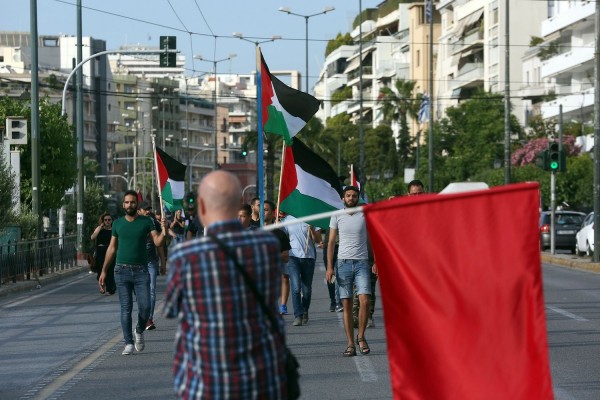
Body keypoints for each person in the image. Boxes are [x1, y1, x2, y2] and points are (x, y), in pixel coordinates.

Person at [163, 171, 287, 399]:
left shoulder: (185, 254)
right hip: (260, 379)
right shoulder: (267, 246)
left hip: (206, 382)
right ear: (240, 205)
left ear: (201, 206)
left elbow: (172, 308)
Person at [99, 190, 168, 356]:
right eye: (127, 202)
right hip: (121, 271)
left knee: (145, 307)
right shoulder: (117, 224)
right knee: (126, 308)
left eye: (132, 202)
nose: (130, 205)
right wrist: (103, 271)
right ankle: (128, 342)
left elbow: (158, 241)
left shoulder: (146, 222)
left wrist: (164, 230)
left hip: (141, 271)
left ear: (137, 204)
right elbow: (112, 248)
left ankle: (139, 330)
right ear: (123, 205)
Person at [326, 186, 376, 357]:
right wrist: (330, 266)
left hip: (362, 263)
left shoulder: (364, 214)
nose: (351, 198)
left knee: (365, 300)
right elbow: (331, 242)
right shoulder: (337, 215)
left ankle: (361, 337)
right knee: (346, 304)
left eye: (354, 196)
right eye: (348, 196)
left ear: (358, 198)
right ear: (343, 198)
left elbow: (372, 240)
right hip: (343, 264)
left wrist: (375, 261)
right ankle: (350, 343)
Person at [280, 211, 322, 326]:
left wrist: (312, 229)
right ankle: (298, 315)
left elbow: (318, 240)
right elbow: (281, 236)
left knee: (306, 289)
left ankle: (305, 311)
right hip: (293, 257)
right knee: (296, 287)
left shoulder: (312, 217)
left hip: (309, 257)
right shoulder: (287, 219)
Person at [138, 201, 166, 331]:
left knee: (152, 290)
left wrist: (163, 262)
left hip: (151, 262)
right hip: (138, 263)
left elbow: (158, 244)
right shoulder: (134, 223)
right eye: (145, 209)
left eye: (149, 209)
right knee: (141, 292)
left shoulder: (154, 223)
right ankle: (143, 316)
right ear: (139, 211)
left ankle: (149, 318)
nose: (147, 211)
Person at [90, 212, 116, 295]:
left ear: (112, 221)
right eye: (106, 220)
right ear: (103, 221)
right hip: (100, 252)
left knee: (110, 270)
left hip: (110, 252)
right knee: (100, 270)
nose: (107, 221)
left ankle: (109, 289)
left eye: (109, 220)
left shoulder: (113, 230)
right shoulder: (100, 229)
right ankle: (102, 285)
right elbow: (92, 237)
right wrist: (100, 226)